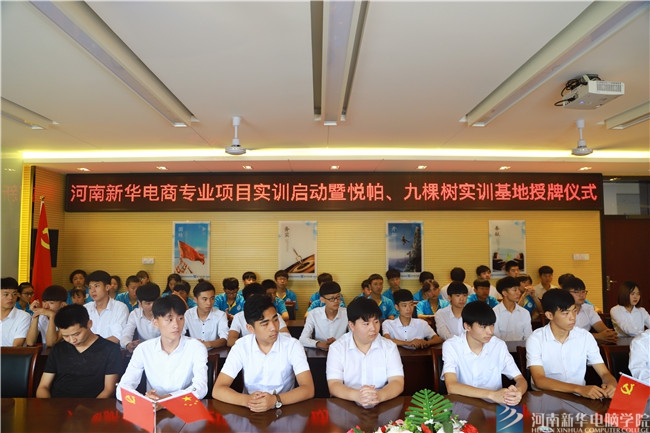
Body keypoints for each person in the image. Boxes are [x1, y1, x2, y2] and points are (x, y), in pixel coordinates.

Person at [213, 294, 314, 412]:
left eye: (275, 320)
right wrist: (249, 401)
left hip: (284, 409)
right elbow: (218, 389)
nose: (273, 328)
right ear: (250, 328)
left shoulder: (292, 345)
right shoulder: (241, 346)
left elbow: (308, 389)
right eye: (265, 324)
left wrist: (275, 400)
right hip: (251, 410)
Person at [526, 289, 617, 400]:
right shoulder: (536, 339)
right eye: (566, 313)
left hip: (578, 399)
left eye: (574, 311)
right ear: (549, 315)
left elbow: (604, 373)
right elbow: (539, 380)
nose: (572, 317)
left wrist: (611, 383)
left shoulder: (585, 337)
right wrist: (578, 389)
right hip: (545, 398)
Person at [117, 295, 208, 401]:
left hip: (184, 405)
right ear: (156, 323)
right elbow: (123, 388)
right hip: (152, 406)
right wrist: (145, 400)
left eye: (180, 318)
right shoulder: (144, 349)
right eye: (169, 319)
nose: (176, 325)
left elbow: (200, 388)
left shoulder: (196, 347)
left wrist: (165, 399)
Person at [442, 301, 527, 406]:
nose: (490, 331)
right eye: (483, 326)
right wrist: (492, 395)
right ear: (467, 326)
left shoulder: (498, 346)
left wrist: (518, 392)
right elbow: (451, 386)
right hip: (462, 407)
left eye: (492, 325)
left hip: (492, 408)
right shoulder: (452, 346)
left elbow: (520, 379)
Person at [326, 296, 404, 408]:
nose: (373, 328)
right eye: (366, 324)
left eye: (376, 322)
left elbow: (397, 381)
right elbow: (334, 384)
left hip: (382, 405)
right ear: (352, 325)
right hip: (348, 405)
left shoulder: (389, 347)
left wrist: (378, 396)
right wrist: (358, 396)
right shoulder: (337, 348)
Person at [36, 304, 122, 398]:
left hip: (94, 404)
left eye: (76, 334)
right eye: (65, 336)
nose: (72, 340)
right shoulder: (58, 349)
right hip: (59, 403)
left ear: (89, 324)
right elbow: (43, 386)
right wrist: (47, 404)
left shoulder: (110, 350)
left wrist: (90, 407)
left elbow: (109, 390)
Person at [563, 277, 617, 343]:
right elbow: (568, 335)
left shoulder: (589, 309)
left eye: (583, 291)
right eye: (576, 292)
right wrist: (596, 336)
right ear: (566, 293)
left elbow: (603, 329)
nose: (581, 295)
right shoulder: (562, 311)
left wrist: (610, 334)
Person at [299, 281, 348, 350]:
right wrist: (320, 344)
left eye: (338, 297)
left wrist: (339, 343)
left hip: (342, 350)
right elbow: (302, 339)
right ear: (322, 299)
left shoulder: (347, 313)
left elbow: (355, 336)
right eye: (332, 299)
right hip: (320, 352)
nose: (336, 301)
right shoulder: (313, 314)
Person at [84, 270, 129, 344]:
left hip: (110, 349)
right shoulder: (85, 308)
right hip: (87, 349)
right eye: (90, 287)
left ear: (107, 287)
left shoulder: (120, 308)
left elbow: (117, 337)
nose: (92, 291)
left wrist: (95, 347)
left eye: (96, 286)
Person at [184, 280, 228, 349]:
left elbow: (225, 339)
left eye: (212, 298)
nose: (209, 303)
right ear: (195, 299)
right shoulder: (188, 314)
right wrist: (192, 342)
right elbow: (179, 335)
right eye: (204, 299)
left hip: (214, 352)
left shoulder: (221, 315)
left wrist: (207, 344)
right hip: (193, 350)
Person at [120, 283, 161, 353]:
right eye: (148, 303)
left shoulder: (165, 313)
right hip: (143, 351)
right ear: (140, 303)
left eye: (155, 302)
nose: (153, 306)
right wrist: (128, 344)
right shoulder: (135, 314)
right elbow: (126, 334)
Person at [492, 276, 532, 341]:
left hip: (521, 347)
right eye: (515, 290)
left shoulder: (525, 313)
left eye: (519, 289)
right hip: (501, 347)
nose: (519, 293)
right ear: (504, 293)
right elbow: (496, 338)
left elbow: (528, 336)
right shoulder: (494, 313)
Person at [1, 277, 31, 347]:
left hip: (12, 354)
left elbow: (16, 346)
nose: (11, 298)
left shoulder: (23, 317)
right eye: (6, 294)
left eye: (14, 294)